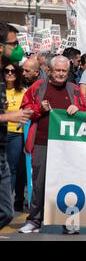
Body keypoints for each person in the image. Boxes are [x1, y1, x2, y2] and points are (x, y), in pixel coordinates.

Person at [19, 55, 86, 234]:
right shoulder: (38, 87)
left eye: (64, 71)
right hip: (42, 142)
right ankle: (34, 220)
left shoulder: (74, 89)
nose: (60, 74)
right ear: (49, 71)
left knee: (68, 183)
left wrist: (79, 110)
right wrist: (39, 109)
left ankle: (69, 222)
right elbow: (24, 111)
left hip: (68, 146)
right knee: (39, 183)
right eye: (57, 70)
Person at [0, 21, 33, 230]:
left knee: (6, 212)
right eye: (13, 44)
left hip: (2, 148)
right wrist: (8, 116)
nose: (17, 48)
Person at [3, 63, 27, 212]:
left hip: (16, 135)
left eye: (13, 71)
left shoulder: (24, 92)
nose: (10, 73)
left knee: (11, 169)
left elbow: (27, 112)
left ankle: (6, 201)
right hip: (2, 132)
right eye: (7, 71)